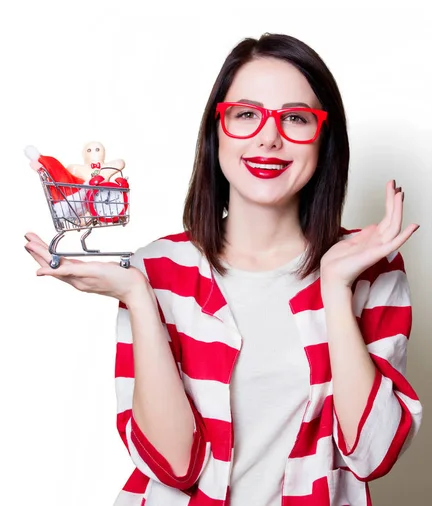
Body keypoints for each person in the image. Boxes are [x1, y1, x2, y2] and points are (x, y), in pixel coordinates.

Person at [24, 33, 422, 506]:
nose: (269, 137)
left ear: (323, 138)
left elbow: (372, 456)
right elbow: (174, 467)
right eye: (246, 115)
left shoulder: (371, 270)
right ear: (217, 131)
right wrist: (136, 294)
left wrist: (335, 287)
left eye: (296, 118)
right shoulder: (157, 269)